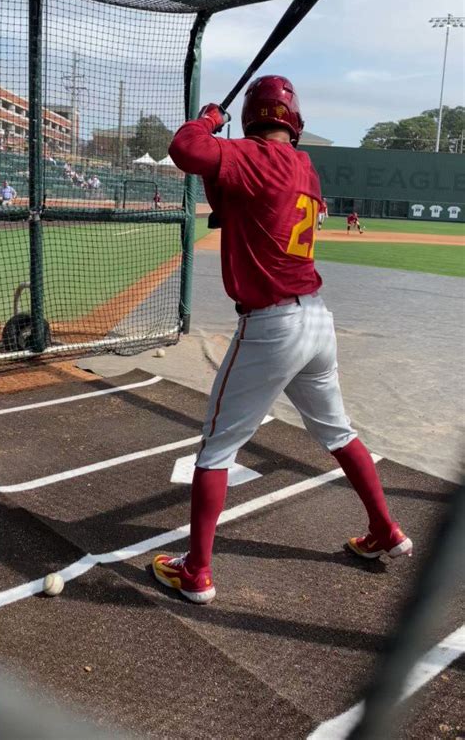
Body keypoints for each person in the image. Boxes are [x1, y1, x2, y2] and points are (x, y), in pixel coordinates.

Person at [152, 75, 412, 604]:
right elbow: (231, 202)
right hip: (316, 321)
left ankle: (196, 571)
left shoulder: (251, 154)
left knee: (216, 447)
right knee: (339, 432)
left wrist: (208, 120)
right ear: (294, 121)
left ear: (252, 117)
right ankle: (385, 529)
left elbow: (185, 150)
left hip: (271, 325)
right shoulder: (304, 166)